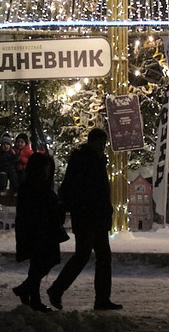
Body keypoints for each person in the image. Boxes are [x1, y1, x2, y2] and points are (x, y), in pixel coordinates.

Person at [49, 128, 121, 311]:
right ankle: (61, 290)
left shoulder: (87, 160)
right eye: (100, 142)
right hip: (89, 215)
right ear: (93, 142)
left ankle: (98, 297)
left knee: (92, 255)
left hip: (91, 216)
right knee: (91, 255)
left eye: (104, 143)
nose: (102, 146)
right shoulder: (88, 161)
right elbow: (87, 190)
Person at [11, 149, 64, 311]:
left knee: (40, 263)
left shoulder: (35, 186)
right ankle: (30, 295)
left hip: (41, 230)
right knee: (42, 262)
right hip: (38, 231)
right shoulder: (34, 187)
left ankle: (28, 292)